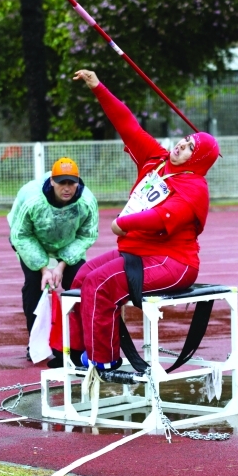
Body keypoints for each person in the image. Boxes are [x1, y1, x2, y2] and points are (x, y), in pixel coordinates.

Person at [66, 69, 221, 373]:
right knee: (81, 279)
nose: (181, 145)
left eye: (190, 147)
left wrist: (126, 224)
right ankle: (79, 351)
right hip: (137, 252)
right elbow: (127, 124)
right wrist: (98, 87)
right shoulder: (155, 158)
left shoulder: (195, 187)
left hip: (172, 262)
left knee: (100, 285)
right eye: (184, 140)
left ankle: (104, 359)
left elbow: (165, 216)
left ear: (199, 158)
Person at [7, 157, 99, 361]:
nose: (67, 188)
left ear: (77, 182)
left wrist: (60, 266)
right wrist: (43, 269)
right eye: (61, 183)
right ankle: (35, 344)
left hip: (68, 242)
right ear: (52, 182)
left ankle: (81, 343)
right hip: (32, 240)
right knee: (34, 286)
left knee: (83, 282)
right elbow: (21, 235)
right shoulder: (31, 198)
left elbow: (87, 234)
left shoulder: (87, 202)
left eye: (71, 183)